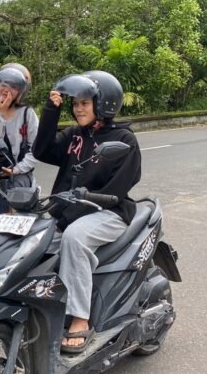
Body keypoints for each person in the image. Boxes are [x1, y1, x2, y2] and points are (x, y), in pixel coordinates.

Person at [32, 70, 141, 354]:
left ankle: (80, 318)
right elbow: (42, 151)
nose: (78, 108)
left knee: (74, 238)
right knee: (31, 239)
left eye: (84, 103)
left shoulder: (123, 139)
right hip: (68, 211)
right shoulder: (74, 135)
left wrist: (66, 219)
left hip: (110, 212)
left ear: (103, 104)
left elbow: (115, 191)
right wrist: (50, 112)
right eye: (75, 103)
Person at [0, 63, 40, 212]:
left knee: (19, 204)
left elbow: (36, 149)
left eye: (14, 87)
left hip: (19, 173)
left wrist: (16, 169)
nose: (7, 90)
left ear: (21, 92)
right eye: (4, 84)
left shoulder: (27, 113)